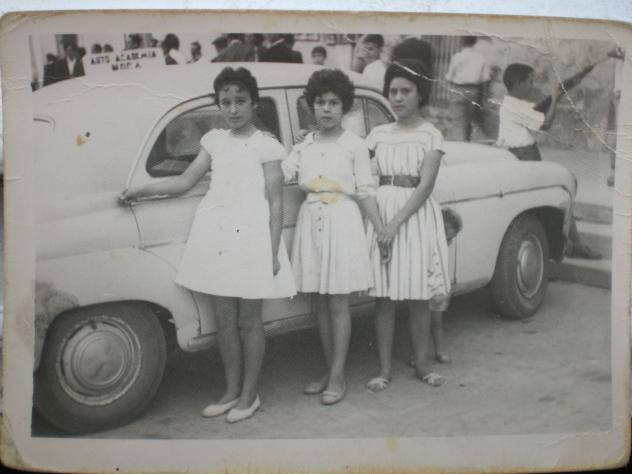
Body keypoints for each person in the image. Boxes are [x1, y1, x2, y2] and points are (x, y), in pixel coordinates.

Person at [119, 67, 296, 423]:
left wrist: (273, 249)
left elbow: (276, 201)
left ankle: (250, 394)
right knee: (224, 320)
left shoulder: (267, 145)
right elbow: (185, 181)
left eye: (240, 101)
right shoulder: (214, 140)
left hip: (252, 236)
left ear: (254, 103)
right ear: (219, 105)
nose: (233, 109)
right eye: (226, 102)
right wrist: (140, 190)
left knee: (249, 321)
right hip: (217, 234)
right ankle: (231, 391)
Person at [282, 69, 384, 405]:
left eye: (333, 103)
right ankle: (329, 369)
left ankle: (338, 376)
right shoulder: (305, 145)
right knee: (320, 304)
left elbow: (365, 190)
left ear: (345, 106)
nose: (326, 109)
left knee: (338, 302)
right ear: (311, 106)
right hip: (311, 219)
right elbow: (283, 172)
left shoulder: (355, 145)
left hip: (342, 220)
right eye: (320, 103)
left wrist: (381, 229)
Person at [365, 58, 451, 393]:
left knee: (418, 294)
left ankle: (422, 366)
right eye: (393, 91)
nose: (398, 98)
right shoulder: (377, 134)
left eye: (406, 91)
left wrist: (395, 224)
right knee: (384, 296)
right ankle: (384, 369)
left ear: (420, 93)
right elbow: (358, 171)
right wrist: (381, 225)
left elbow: (425, 185)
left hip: (414, 218)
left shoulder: (431, 135)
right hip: (382, 214)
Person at [498, 63, 601, 259]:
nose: (533, 85)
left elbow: (539, 109)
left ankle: (572, 244)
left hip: (524, 157)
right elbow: (546, 123)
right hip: (524, 158)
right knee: (564, 189)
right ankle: (573, 245)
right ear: (518, 84)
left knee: (561, 192)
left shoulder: (514, 103)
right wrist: (555, 97)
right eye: (530, 81)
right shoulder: (515, 107)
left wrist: (560, 92)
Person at [444, 36, 491, 141]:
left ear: (462, 42)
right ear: (475, 42)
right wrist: (484, 98)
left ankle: (460, 142)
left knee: (457, 119)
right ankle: (466, 141)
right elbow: (485, 79)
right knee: (469, 119)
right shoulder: (480, 58)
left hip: (459, 89)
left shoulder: (457, 57)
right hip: (474, 90)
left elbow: (449, 77)